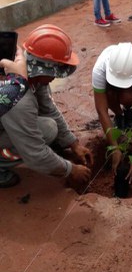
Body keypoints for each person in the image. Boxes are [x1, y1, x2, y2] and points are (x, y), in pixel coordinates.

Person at [0, 24, 92, 188]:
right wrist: (70, 170)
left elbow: (49, 109)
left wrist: (73, 143)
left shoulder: (32, 77)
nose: (56, 76)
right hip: (14, 116)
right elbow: (34, 152)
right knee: (41, 135)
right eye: (55, 72)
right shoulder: (17, 98)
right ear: (43, 70)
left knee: (49, 127)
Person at [92, 42, 132, 181]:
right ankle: (119, 115)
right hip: (110, 89)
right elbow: (102, 110)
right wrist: (115, 148)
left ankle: (127, 110)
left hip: (128, 90)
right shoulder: (100, 70)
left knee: (128, 98)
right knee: (110, 96)